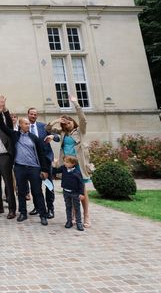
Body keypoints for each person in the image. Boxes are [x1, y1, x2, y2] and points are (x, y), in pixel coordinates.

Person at [0, 96, 50, 226]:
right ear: (20, 125)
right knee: (20, 192)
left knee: (37, 192)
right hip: (20, 168)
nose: (28, 125)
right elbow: (3, 126)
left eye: (28, 124)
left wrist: (44, 170)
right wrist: (1, 111)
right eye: (26, 123)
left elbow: (41, 154)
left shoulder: (34, 138)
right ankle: (23, 213)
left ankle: (43, 215)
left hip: (34, 168)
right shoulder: (15, 135)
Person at [47, 96, 93, 227]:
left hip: (79, 164)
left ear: (72, 122)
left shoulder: (80, 131)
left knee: (81, 190)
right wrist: (57, 120)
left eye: (68, 122)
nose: (67, 125)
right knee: (70, 190)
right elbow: (48, 129)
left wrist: (76, 104)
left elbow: (83, 119)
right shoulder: (62, 133)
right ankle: (73, 214)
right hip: (67, 165)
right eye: (65, 123)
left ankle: (86, 216)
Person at [28, 107, 59, 219]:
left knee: (48, 185)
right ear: (28, 115)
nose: (33, 116)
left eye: (35, 114)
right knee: (35, 186)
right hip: (32, 161)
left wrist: (52, 136)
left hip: (45, 160)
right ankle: (37, 207)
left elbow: (57, 136)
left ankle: (50, 209)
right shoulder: (25, 128)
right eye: (31, 114)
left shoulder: (43, 126)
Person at [60, 155, 85, 231]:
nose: (65, 163)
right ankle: (69, 221)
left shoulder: (77, 172)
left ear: (73, 163)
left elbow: (81, 184)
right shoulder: (63, 168)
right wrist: (54, 164)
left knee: (77, 208)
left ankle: (79, 223)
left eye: (67, 162)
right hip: (66, 192)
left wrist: (81, 193)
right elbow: (54, 170)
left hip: (75, 193)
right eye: (64, 161)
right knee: (68, 207)